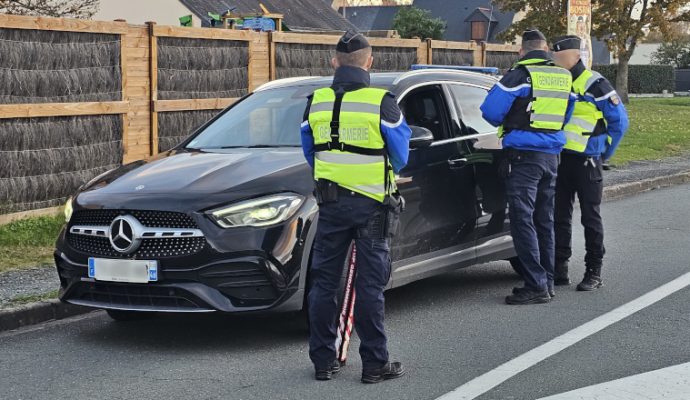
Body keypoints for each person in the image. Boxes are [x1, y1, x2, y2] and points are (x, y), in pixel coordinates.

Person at [300, 30, 411, 383]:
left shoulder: (314, 101)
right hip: (373, 205)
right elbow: (401, 155)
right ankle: (374, 364)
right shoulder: (382, 102)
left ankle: (323, 361)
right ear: (370, 61)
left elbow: (310, 153)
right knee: (369, 285)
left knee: (324, 283)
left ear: (334, 62)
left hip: (331, 205)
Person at [480, 28, 574, 305]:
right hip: (551, 157)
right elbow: (566, 114)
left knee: (523, 220)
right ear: (545, 49)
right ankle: (547, 279)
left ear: (522, 51)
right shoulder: (563, 76)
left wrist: (512, 121)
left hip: (523, 157)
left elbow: (490, 111)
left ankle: (535, 285)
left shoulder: (519, 76)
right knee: (544, 219)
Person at [551, 35, 629, 291]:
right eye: (554, 56)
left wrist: (605, 154)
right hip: (561, 159)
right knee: (559, 216)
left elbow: (619, 123)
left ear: (575, 56)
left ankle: (593, 271)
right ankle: (559, 267)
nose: (556, 60)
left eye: (560, 56)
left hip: (587, 161)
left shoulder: (596, 83)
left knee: (590, 217)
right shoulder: (557, 82)